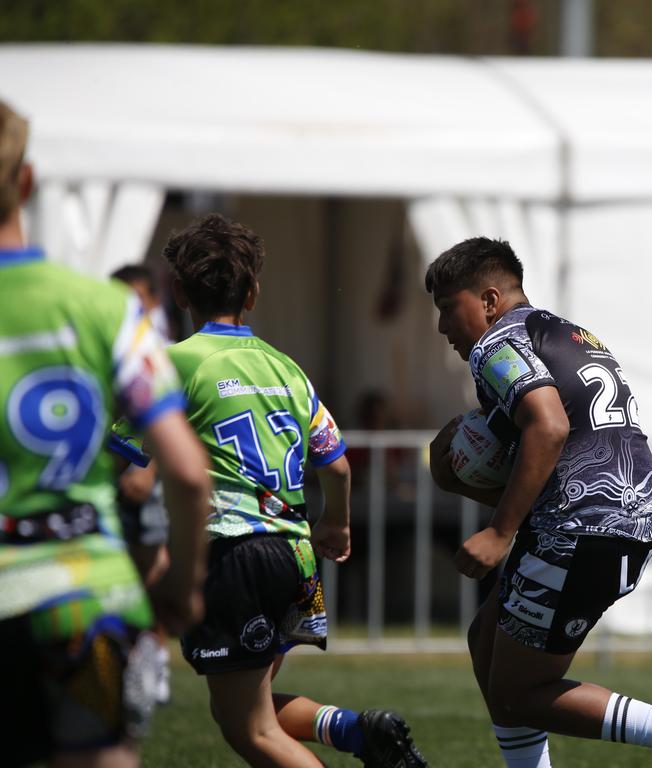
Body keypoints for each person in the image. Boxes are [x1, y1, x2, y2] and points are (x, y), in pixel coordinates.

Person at [425, 237, 652, 768]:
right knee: (487, 639)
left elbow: (548, 427)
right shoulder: (566, 331)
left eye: (447, 310)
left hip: (579, 524)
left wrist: (499, 531)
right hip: (619, 511)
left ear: (487, 300)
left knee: (519, 691)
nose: (442, 328)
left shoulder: (496, 344)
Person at [161, 213, 428, 767]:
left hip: (231, 553)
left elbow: (130, 464)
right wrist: (336, 524)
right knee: (246, 706)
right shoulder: (287, 369)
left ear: (179, 291)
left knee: (249, 730)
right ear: (254, 293)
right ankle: (358, 732)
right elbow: (337, 465)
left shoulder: (174, 365)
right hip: (294, 555)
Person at [0, 99, 211, 767]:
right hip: (84, 595)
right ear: (26, 182)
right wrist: (182, 584)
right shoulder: (109, 308)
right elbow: (185, 469)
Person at [110, 264, 175, 704]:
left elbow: (167, 422)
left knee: (154, 570)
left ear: (153, 300)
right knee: (117, 573)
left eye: (137, 296)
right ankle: (122, 658)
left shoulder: (161, 348)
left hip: (145, 473)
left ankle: (157, 656)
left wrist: (146, 468)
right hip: (107, 479)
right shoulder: (104, 340)